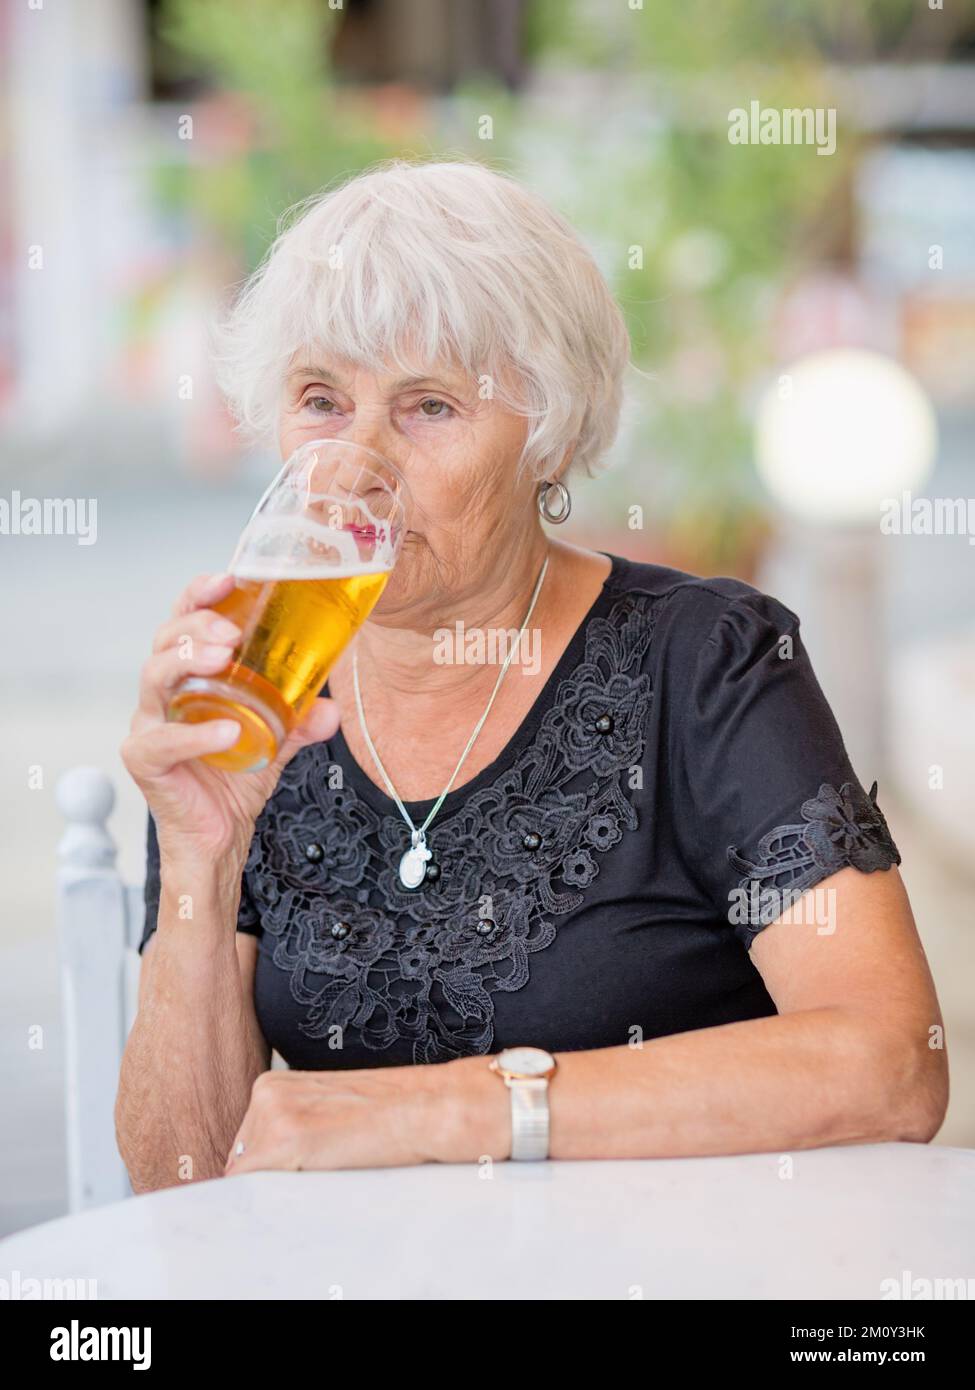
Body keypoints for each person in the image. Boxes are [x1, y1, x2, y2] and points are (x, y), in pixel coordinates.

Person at [116, 158, 947, 1191]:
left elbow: (893, 1066)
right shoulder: (258, 697)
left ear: (548, 437)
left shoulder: (705, 662)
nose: (356, 469)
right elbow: (181, 1182)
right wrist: (200, 859)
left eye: (428, 406)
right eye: (321, 400)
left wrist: (449, 1109)